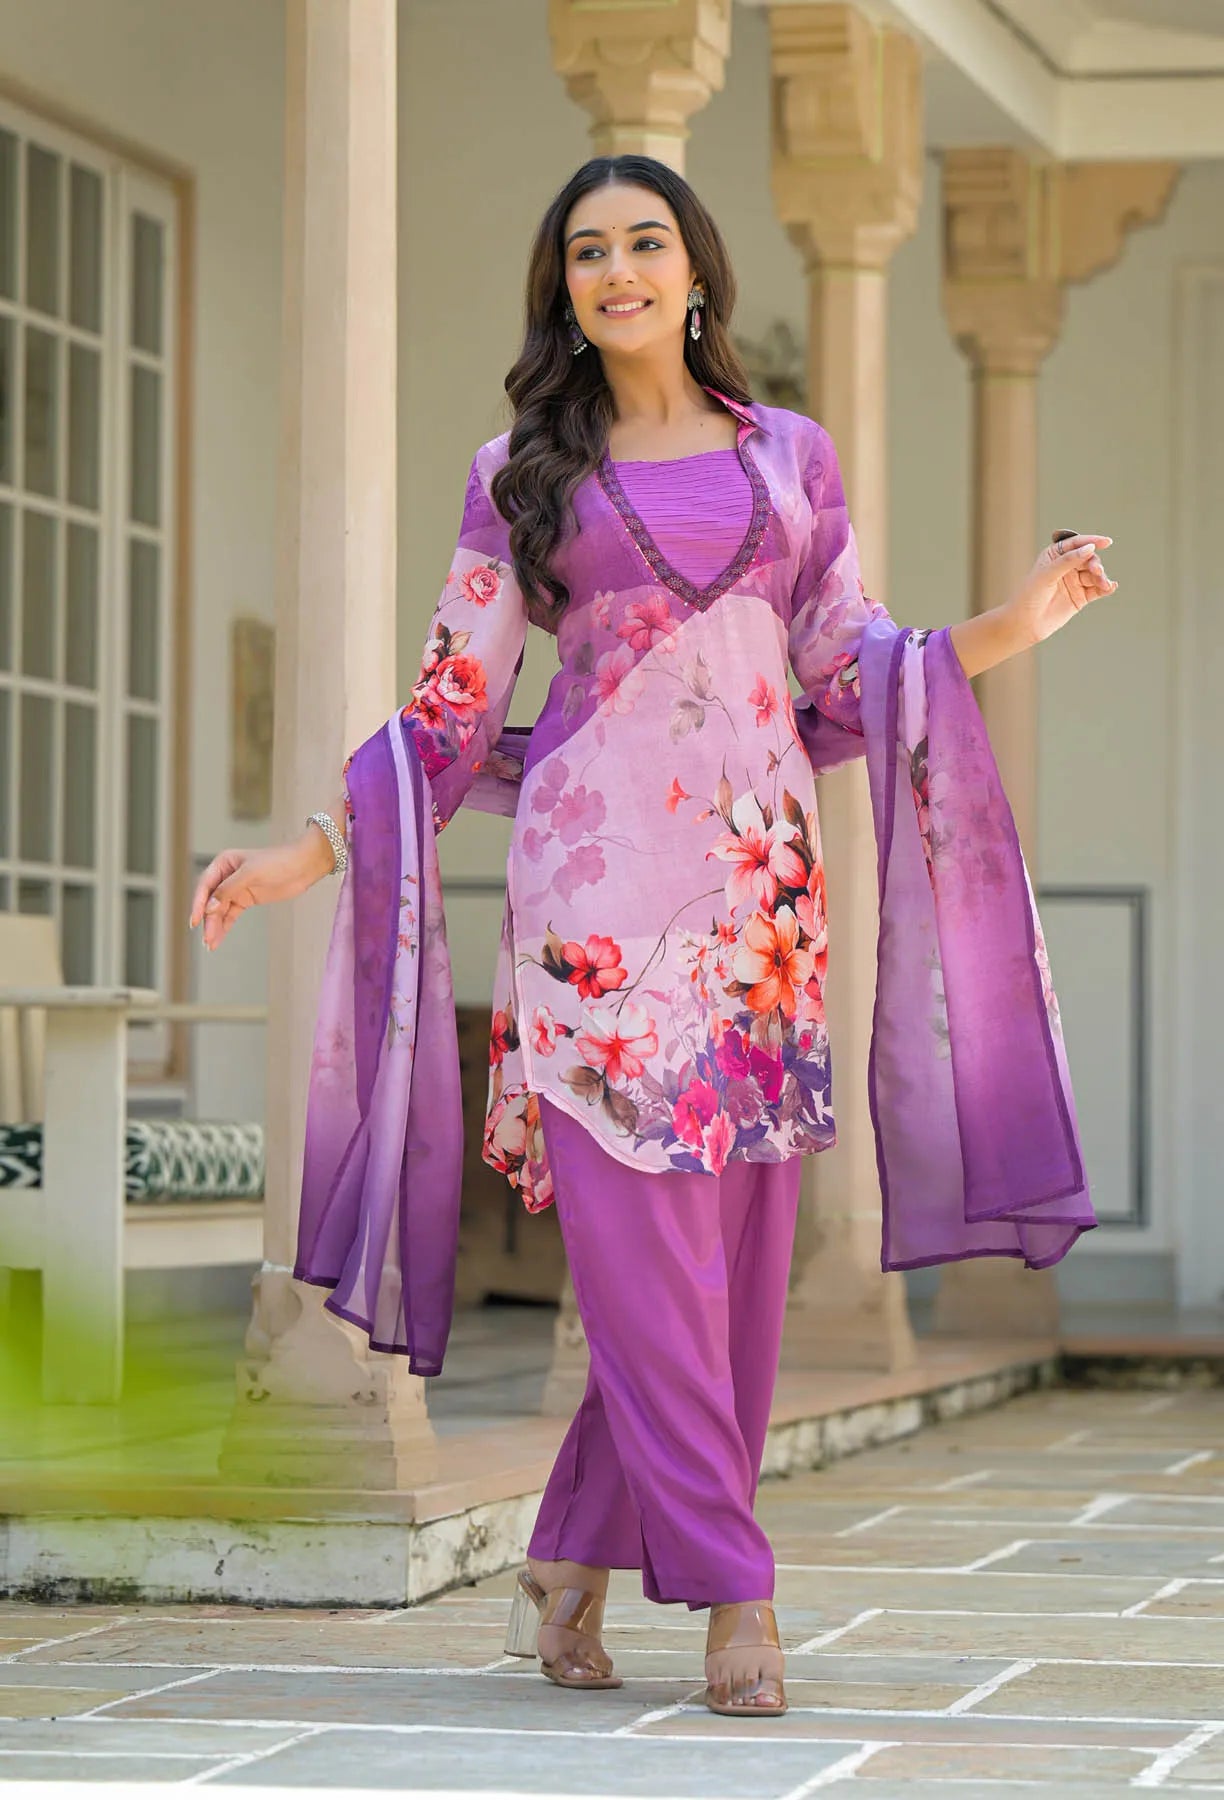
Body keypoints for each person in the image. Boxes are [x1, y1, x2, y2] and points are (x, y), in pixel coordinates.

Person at [190, 155, 1111, 1718]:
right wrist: (313, 851)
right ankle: (740, 1595)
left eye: (645, 242)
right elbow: (450, 710)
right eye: (587, 251)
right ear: (564, 290)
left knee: (730, 1285)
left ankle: (564, 1554)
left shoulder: (790, 457)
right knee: (643, 1269)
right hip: (593, 919)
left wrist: (1013, 626)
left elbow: (846, 672)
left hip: (759, 918)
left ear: (695, 274)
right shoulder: (518, 476)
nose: (616, 269)